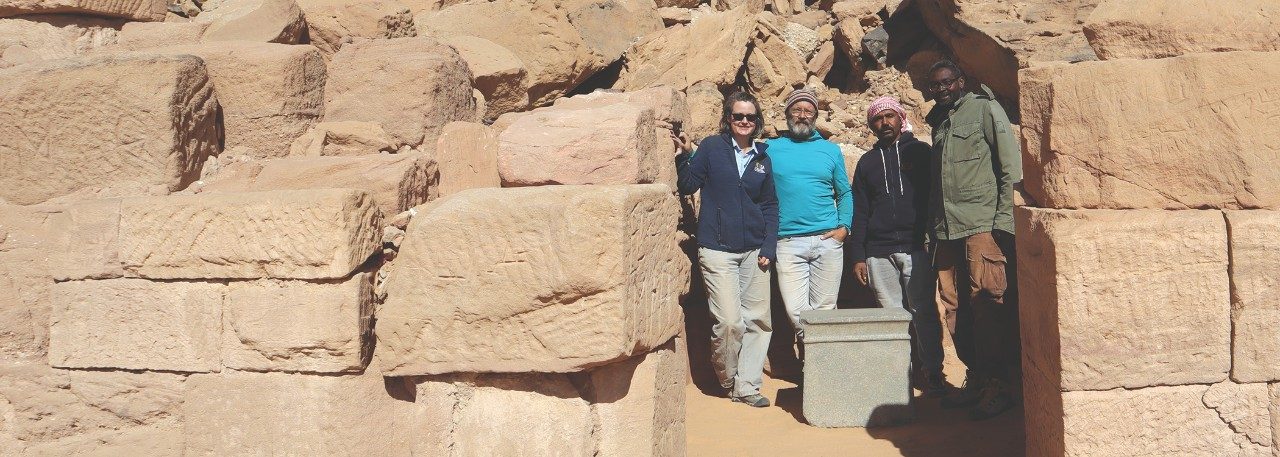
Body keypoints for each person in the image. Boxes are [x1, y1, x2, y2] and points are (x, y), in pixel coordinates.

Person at [924, 60, 1022, 420]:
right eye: (935, 85)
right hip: (945, 231)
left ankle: (1001, 386)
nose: (942, 89)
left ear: (960, 82)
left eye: (947, 82)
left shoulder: (983, 108)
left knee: (989, 304)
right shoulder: (939, 121)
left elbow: (1010, 165)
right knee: (953, 307)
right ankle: (978, 379)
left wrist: (1002, 220)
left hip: (981, 225)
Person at [674, 91, 778, 408]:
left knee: (759, 321)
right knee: (731, 322)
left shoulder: (762, 157)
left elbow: (770, 204)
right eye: (738, 116)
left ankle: (747, 385)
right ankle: (729, 378)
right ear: (728, 119)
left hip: (755, 250)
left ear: (756, 121)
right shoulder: (712, 148)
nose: (744, 121)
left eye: (750, 117)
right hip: (717, 249)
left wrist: (769, 244)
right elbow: (689, 184)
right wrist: (684, 155)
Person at [850, 96, 946, 397]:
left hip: (917, 247)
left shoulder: (920, 152)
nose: (884, 123)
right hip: (878, 252)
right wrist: (858, 256)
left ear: (900, 118)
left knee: (923, 311)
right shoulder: (866, 163)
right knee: (891, 316)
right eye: (878, 119)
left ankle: (932, 373)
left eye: (889, 116)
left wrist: (935, 241)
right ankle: (898, 378)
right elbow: (861, 212)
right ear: (872, 125)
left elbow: (935, 198)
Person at [766, 88, 853, 342]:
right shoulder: (771, 148)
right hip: (788, 242)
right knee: (797, 312)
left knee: (825, 310)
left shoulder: (830, 150)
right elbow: (736, 159)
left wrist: (844, 228)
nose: (802, 116)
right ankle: (820, 358)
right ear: (787, 114)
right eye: (797, 110)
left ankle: (817, 371)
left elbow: (844, 193)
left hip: (827, 240)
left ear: (815, 116)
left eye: (808, 111)